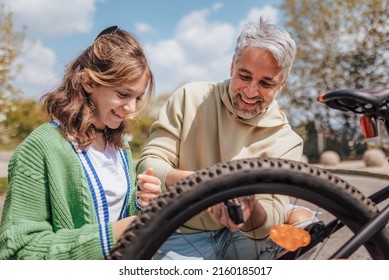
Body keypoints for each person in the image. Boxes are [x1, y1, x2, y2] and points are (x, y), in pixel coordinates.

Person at [136, 17, 304, 260]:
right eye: (244, 76)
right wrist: (202, 184)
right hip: (181, 232)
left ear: (282, 84)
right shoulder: (190, 98)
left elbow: (271, 217)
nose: (250, 91)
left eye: (266, 83)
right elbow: (151, 163)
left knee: (303, 230)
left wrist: (249, 211)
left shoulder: (287, 140)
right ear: (231, 67)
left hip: (245, 238)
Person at [0, 26, 161, 260]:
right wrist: (111, 236)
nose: (132, 109)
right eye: (123, 94)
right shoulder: (40, 147)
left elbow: (119, 217)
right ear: (88, 82)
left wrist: (139, 202)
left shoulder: (121, 148)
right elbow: (17, 250)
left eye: (138, 98)